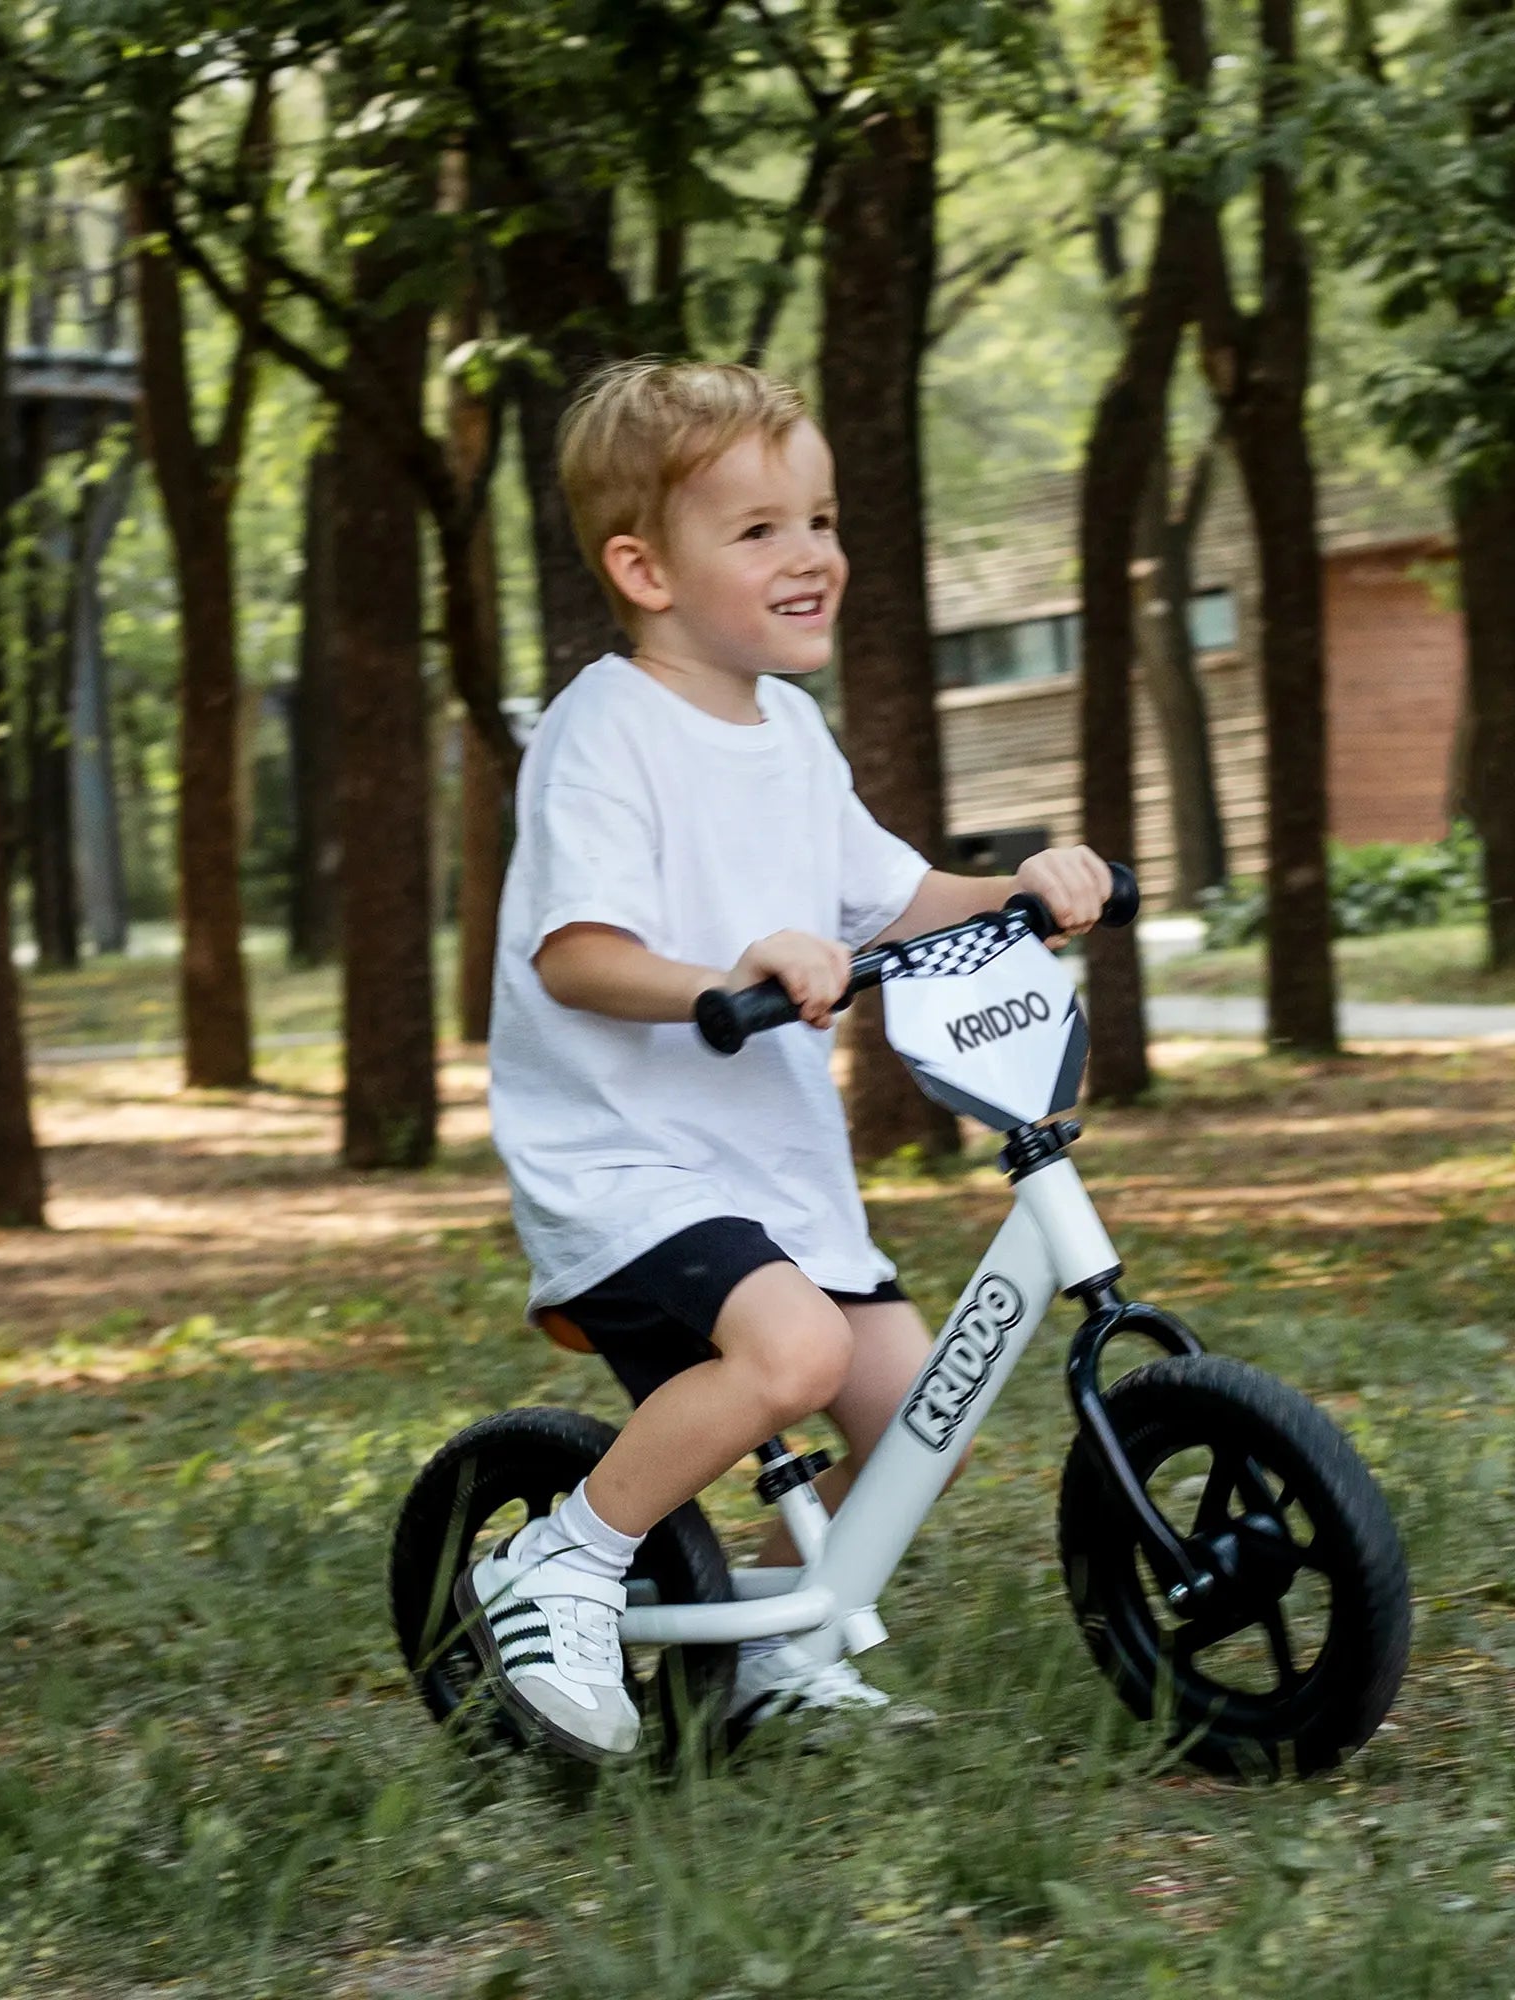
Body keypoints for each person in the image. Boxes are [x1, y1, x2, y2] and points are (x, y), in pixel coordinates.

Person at [472, 358, 1112, 1758]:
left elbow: (889, 901)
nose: (810, 553)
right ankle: (559, 1562)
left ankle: (772, 1641)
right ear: (644, 567)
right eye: (757, 530)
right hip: (630, 1168)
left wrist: (1025, 888)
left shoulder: (794, 734)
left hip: (767, 1174)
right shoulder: (604, 732)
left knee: (910, 1405)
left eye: (818, 519)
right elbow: (575, 953)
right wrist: (729, 974)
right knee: (798, 1349)